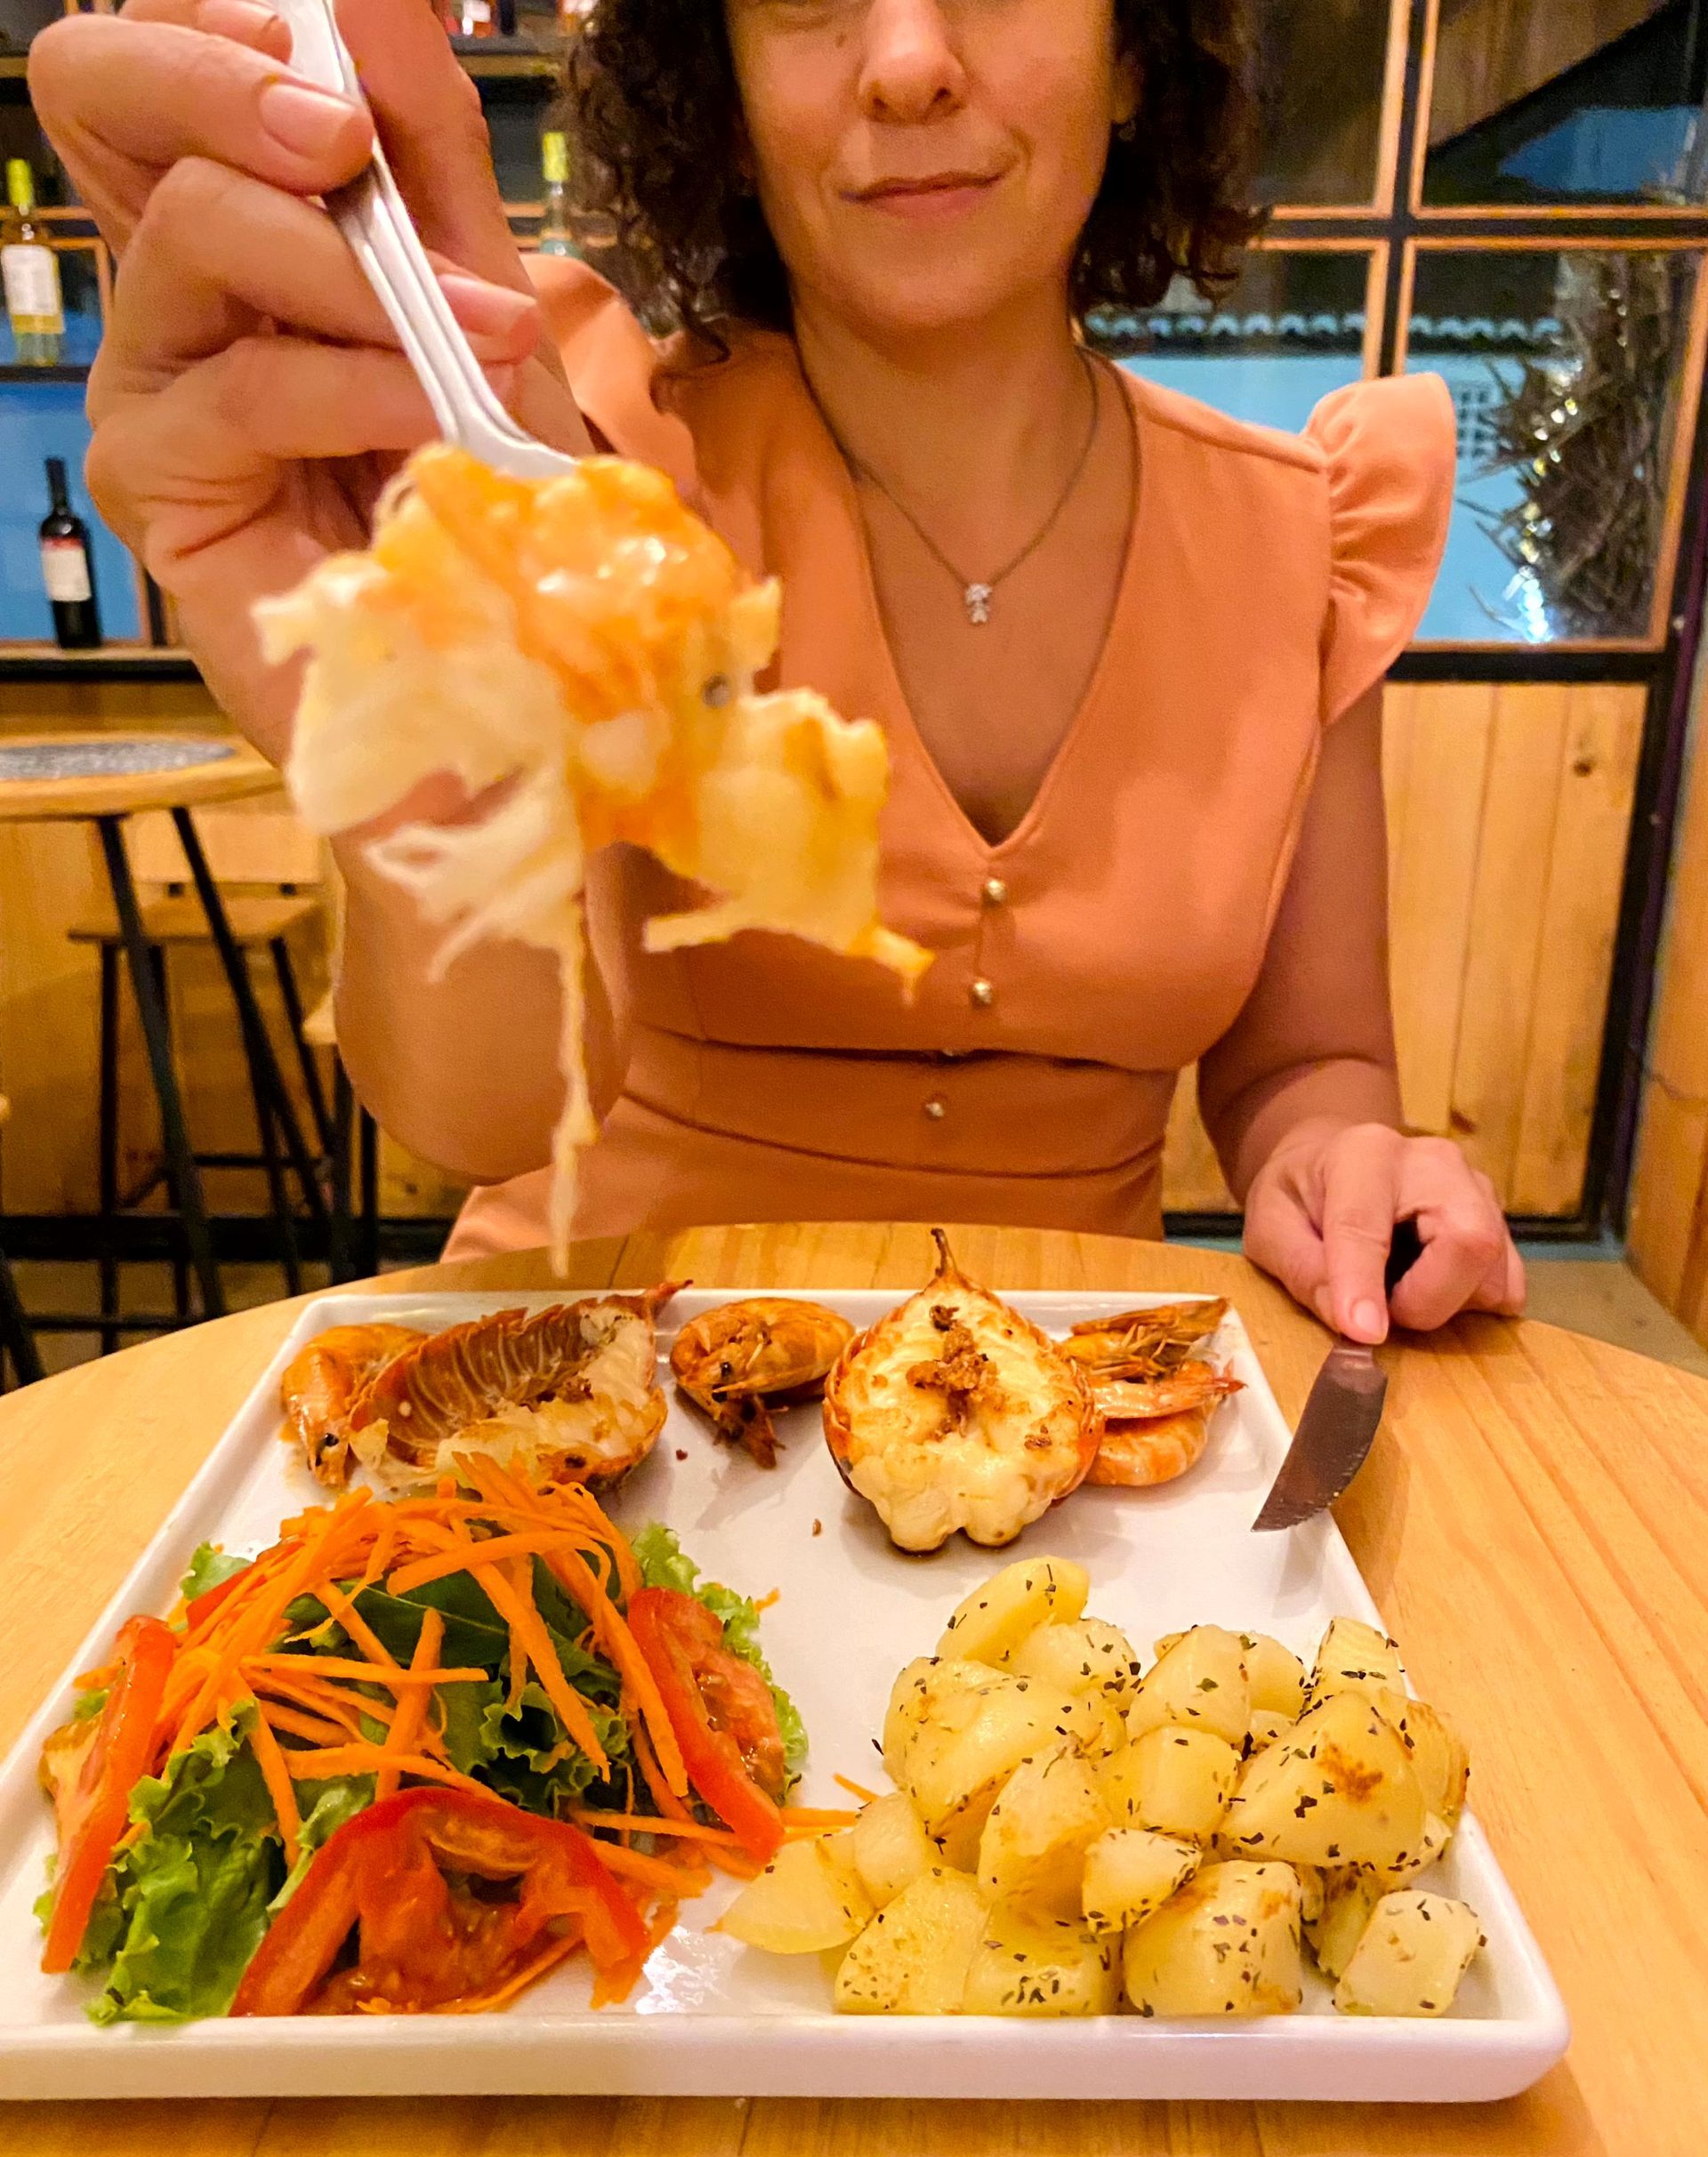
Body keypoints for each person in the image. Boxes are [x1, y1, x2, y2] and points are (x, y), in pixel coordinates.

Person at [31, 0, 1525, 1344]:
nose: (908, 62)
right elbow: (482, 1114)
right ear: (725, 96)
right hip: (596, 1374)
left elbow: (1309, 1064)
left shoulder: (1300, 535)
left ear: (1133, 53)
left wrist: (1339, 1160)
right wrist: (422, 778)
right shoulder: (585, 463)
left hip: (1066, 1434)